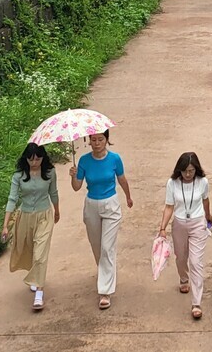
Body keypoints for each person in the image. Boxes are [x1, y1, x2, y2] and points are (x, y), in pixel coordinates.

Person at [69, 130, 133, 310]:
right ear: (89, 141)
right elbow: (76, 187)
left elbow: (122, 179)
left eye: (100, 139)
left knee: (107, 246)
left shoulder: (115, 159)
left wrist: (128, 196)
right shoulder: (84, 161)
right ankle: (106, 271)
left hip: (110, 204)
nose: (96, 143)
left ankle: (105, 291)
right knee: (97, 245)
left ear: (107, 140)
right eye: (93, 140)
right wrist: (73, 175)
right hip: (91, 205)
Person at [1, 143, 60, 311]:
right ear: (26, 159)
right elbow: (12, 199)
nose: (35, 163)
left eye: (38, 159)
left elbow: (53, 193)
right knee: (29, 249)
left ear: (43, 158)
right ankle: (35, 278)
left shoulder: (50, 173)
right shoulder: (19, 176)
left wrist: (57, 210)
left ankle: (39, 293)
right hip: (25, 216)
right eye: (31, 159)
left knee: (41, 252)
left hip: (44, 215)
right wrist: (6, 225)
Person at [157, 152, 212, 320]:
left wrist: (208, 216)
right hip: (179, 224)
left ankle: (196, 303)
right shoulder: (172, 183)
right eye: (185, 171)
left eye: (191, 170)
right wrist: (163, 228)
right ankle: (183, 278)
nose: (188, 174)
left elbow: (205, 201)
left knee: (196, 262)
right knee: (181, 257)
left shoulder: (203, 182)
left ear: (196, 169)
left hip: (198, 224)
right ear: (179, 170)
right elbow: (169, 206)